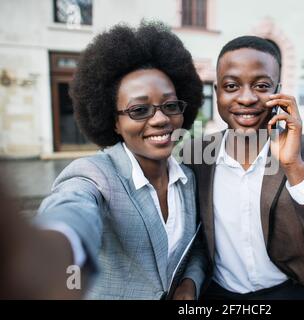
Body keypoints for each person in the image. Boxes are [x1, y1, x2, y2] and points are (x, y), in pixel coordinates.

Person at [5, 21, 207, 299]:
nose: (161, 119)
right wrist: (56, 246)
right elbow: (73, 209)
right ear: (114, 122)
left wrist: (189, 283)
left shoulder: (188, 179)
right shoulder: (93, 175)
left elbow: (196, 247)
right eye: (139, 109)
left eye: (170, 106)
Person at [183, 36, 304, 300]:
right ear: (217, 92)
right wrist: (191, 281)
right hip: (219, 293)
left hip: (294, 291)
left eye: (261, 85)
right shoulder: (195, 155)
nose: (246, 98)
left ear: (278, 91)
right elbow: (196, 240)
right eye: (232, 85)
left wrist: (295, 168)